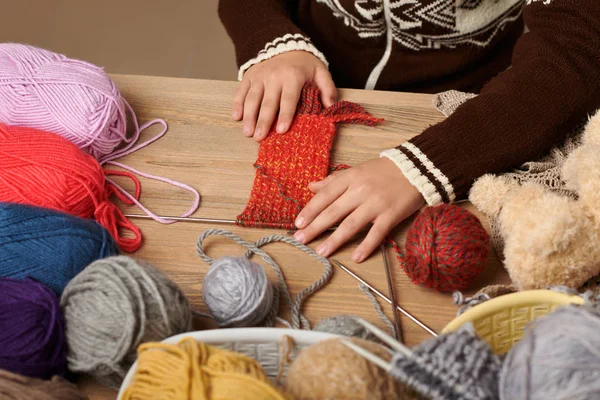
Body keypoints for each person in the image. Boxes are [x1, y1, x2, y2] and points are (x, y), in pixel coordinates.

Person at [218, 0, 600, 263]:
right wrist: (273, 42)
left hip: (476, 115)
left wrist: (424, 166)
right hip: (309, 73)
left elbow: (573, 51)